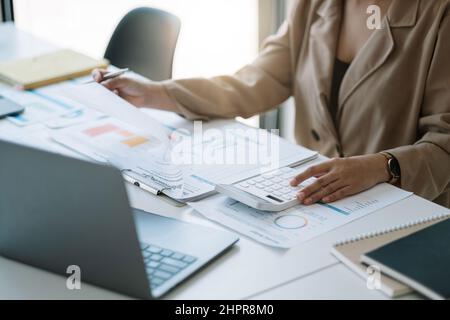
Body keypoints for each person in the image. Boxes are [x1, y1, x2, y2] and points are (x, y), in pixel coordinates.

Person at [93, 0, 450, 208]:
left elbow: (444, 144)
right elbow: (258, 82)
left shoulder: (439, 15)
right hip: (313, 204)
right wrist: (156, 93)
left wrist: (380, 166)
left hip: (406, 212)